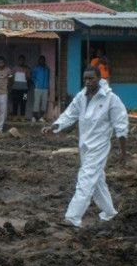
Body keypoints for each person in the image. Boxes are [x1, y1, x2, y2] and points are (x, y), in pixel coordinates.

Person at [42, 66, 128, 228]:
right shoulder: (81, 97)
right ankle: (109, 212)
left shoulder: (111, 99)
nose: (88, 82)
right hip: (85, 147)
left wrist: (123, 152)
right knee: (97, 181)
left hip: (100, 147)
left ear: (99, 78)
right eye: (85, 79)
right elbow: (69, 115)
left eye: (91, 79)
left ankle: (72, 218)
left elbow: (121, 124)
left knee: (86, 179)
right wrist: (53, 127)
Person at [10, 55, 30, 122]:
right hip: (15, 89)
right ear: (18, 61)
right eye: (20, 60)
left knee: (23, 102)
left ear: (24, 61)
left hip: (24, 89)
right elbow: (11, 78)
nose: (21, 61)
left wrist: (25, 73)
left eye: (22, 60)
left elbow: (28, 79)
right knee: (15, 102)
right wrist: (11, 86)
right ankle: (15, 116)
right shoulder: (14, 68)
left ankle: (22, 116)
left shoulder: (27, 69)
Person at [31, 55, 50, 123]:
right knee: (36, 102)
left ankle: (41, 117)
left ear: (44, 61)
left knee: (44, 103)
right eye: (40, 60)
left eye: (43, 60)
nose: (42, 61)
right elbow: (32, 77)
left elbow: (48, 79)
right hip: (38, 88)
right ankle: (34, 117)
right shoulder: (36, 68)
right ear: (39, 61)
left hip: (45, 88)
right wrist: (36, 83)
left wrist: (48, 88)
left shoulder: (47, 69)